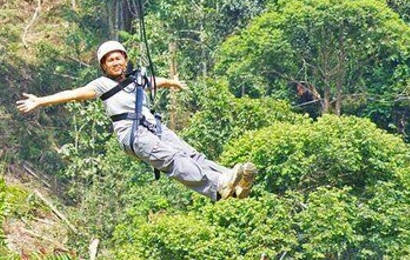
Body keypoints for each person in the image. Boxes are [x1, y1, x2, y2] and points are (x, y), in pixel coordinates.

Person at [16, 41, 256, 200]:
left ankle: (235, 184)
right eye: (110, 60)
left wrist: (171, 82)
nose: (116, 63)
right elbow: (72, 94)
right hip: (133, 134)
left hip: (153, 127)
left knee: (191, 154)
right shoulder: (102, 85)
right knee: (173, 159)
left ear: (126, 60)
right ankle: (218, 185)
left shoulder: (136, 80)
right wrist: (40, 101)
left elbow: (155, 81)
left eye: (119, 58)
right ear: (104, 66)